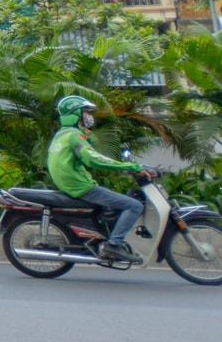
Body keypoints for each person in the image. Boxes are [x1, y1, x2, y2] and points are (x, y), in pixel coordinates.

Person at [47, 95, 148, 263]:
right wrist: (131, 167)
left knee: (117, 202)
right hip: (80, 186)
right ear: (75, 114)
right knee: (134, 205)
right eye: (86, 113)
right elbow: (93, 159)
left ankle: (107, 236)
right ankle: (113, 245)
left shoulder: (62, 134)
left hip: (71, 183)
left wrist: (87, 136)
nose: (89, 117)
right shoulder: (73, 136)